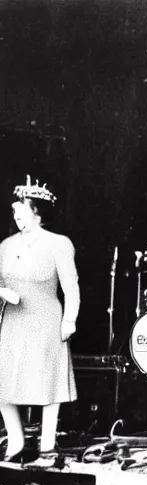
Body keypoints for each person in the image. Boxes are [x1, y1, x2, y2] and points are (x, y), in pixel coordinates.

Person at [0, 175, 80, 464]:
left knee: (49, 382)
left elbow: (71, 286)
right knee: (4, 383)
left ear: (37, 210)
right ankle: (16, 440)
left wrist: (69, 319)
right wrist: (3, 292)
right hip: (13, 320)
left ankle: (47, 444)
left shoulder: (59, 244)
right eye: (14, 209)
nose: (16, 211)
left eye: (20, 206)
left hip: (46, 316)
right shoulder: (6, 245)